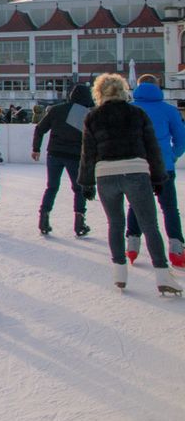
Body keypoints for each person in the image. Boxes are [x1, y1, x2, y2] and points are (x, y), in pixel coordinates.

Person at [79, 74, 181, 295]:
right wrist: (158, 178)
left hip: (105, 175)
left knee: (115, 224)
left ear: (99, 92)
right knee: (149, 225)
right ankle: (163, 275)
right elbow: (152, 148)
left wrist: (86, 183)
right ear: (122, 90)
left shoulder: (93, 117)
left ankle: (119, 274)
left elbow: (88, 153)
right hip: (136, 173)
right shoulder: (137, 113)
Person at [125, 75, 185, 268]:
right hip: (163, 166)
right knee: (169, 208)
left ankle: (132, 245)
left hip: (136, 166)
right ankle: (177, 249)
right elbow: (181, 139)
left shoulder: (129, 110)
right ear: (157, 86)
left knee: (135, 205)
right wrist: (173, 155)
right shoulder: (169, 110)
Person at [31, 83, 94, 237]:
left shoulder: (57, 109)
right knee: (78, 189)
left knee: (52, 187)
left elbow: (40, 129)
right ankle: (79, 223)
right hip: (75, 156)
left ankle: (43, 220)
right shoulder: (85, 113)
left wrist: (36, 148)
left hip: (54, 153)